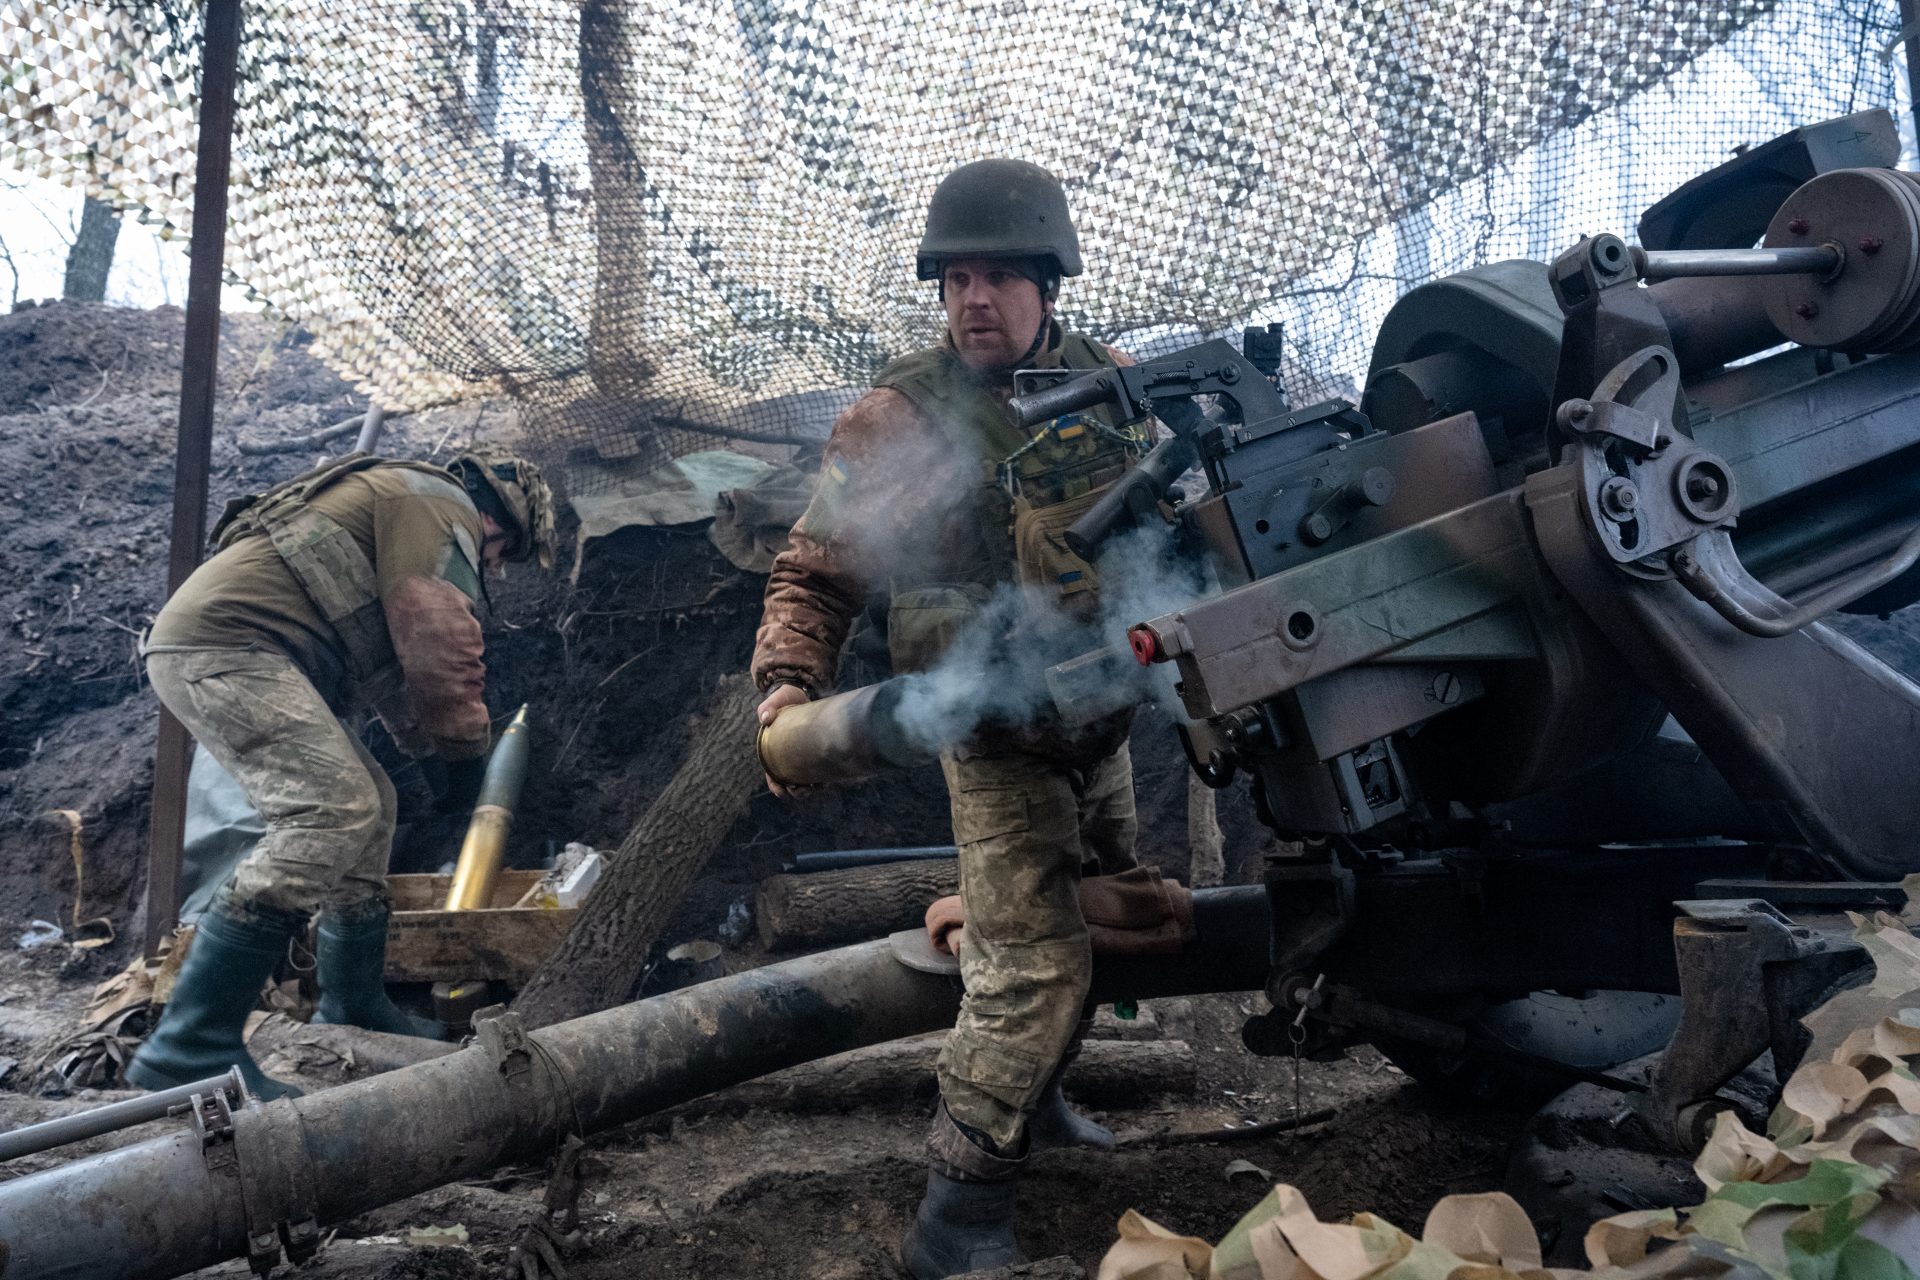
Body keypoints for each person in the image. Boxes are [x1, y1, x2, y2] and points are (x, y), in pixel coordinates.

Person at [752, 159, 1147, 1277]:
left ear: (1049, 286)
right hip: (990, 730)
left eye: (1002, 276)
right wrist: (785, 683)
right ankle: (956, 1215)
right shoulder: (897, 421)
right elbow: (814, 574)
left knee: (1106, 920)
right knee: (1026, 965)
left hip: (1101, 713)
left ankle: (1042, 1097)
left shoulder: (1112, 382)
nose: (976, 298)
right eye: (957, 278)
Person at [127, 449, 555, 1100]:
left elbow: (394, 678)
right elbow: (437, 640)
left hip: (243, 649)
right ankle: (191, 1042)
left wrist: (431, 762)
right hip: (226, 646)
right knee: (331, 808)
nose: (492, 568)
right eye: (501, 555)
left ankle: (351, 1001)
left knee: (371, 803)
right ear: (497, 519)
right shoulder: (438, 505)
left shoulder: (404, 511)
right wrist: (467, 761)